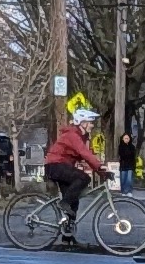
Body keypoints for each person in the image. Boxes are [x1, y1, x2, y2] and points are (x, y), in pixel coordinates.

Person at [43, 99, 103, 244]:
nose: (92, 125)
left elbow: (84, 155)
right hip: (55, 166)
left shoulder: (79, 136)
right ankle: (64, 203)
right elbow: (84, 153)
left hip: (61, 165)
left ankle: (67, 236)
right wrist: (100, 168)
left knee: (73, 201)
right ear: (82, 123)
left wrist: (100, 170)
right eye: (90, 122)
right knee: (83, 178)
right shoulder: (73, 135)